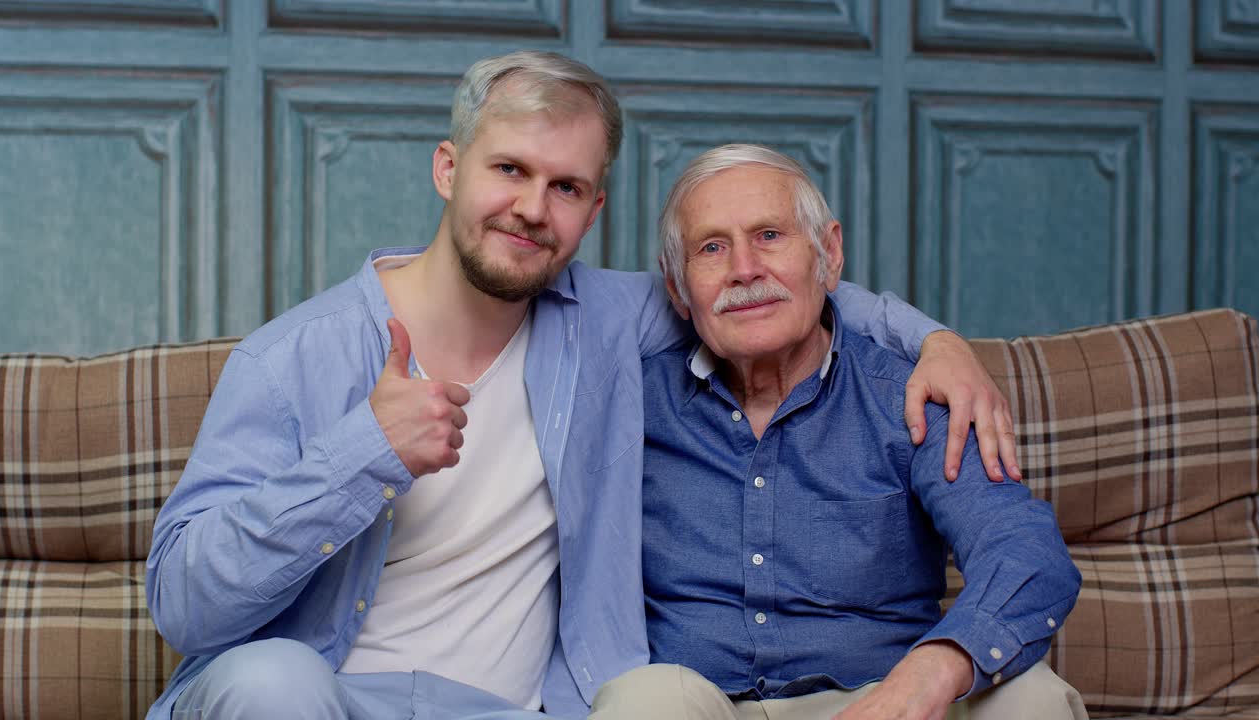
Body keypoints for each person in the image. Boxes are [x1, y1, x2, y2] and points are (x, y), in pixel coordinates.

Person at [145, 53, 1020, 720]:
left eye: (565, 187)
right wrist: (360, 454)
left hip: (526, 712)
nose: (533, 208)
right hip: (326, 699)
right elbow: (185, 605)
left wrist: (934, 339)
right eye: (509, 171)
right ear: (450, 169)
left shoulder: (611, 320)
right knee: (271, 678)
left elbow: (763, 291)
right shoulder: (292, 357)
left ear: (593, 211)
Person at [588, 144, 1086, 720]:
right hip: (702, 705)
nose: (744, 269)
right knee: (642, 699)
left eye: (770, 235)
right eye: (712, 248)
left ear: (828, 254)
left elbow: (1024, 549)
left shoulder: (913, 396)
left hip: (887, 700)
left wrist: (937, 666)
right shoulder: (630, 404)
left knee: (1033, 696)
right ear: (678, 288)